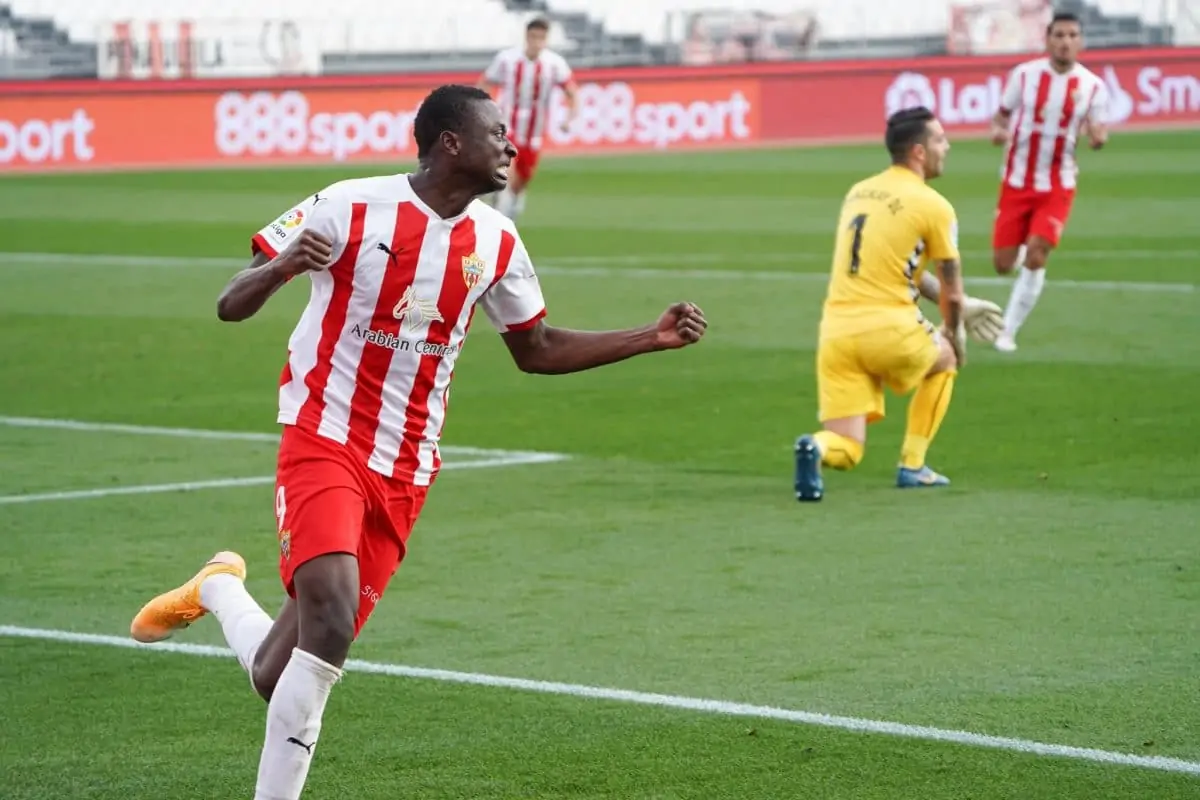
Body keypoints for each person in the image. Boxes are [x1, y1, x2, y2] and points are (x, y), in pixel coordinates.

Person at [129, 84, 707, 800]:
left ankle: (217, 587)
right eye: (497, 132)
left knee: (280, 675)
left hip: (407, 465)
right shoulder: (347, 204)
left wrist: (649, 337)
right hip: (324, 434)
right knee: (330, 621)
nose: (512, 144)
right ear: (451, 141)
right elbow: (229, 303)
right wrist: (280, 267)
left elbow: (537, 349)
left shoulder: (497, 239)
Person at [794, 106, 990, 500]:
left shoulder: (859, 192)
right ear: (919, 151)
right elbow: (951, 288)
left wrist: (957, 302)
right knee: (946, 359)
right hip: (889, 329)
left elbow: (892, 266)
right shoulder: (934, 205)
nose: (947, 147)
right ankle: (913, 466)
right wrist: (955, 332)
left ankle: (815, 447)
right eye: (940, 140)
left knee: (847, 448)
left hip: (836, 334)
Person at [989, 10, 1108, 353]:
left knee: (1038, 253)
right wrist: (998, 131)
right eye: (1059, 35)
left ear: (1081, 42)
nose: (1065, 42)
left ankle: (1007, 332)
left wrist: (1098, 138)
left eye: (1072, 35)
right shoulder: (1024, 75)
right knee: (1002, 265)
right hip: (1016, 181)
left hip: (1058, 183)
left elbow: (1099, 130)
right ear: (1047, 39)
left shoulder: (1092, 86)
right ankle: (1023, 249)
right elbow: (1001, 116)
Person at [477, 17, 578, 221]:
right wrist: (482, 109)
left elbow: (572, 92)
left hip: (534, 132)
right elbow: (485, 82)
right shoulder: (507, 59)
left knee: (521, 182)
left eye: (541, 38)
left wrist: (569, 118)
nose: (537, 42)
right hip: (507, 126)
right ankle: (498, 219)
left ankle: (511, 204)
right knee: (507, 172)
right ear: (526, 37)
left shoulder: (554, 63)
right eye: (533, 37)